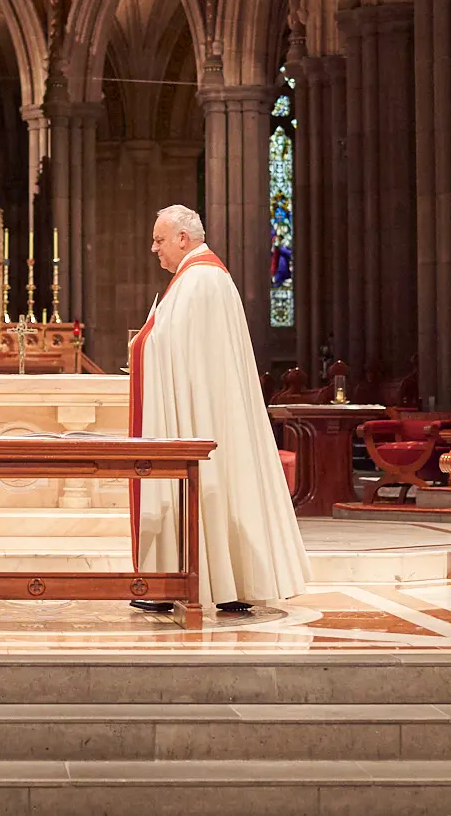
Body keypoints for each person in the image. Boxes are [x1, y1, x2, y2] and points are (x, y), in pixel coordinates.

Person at [130, 204, 309, 614]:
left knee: (207, 483)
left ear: (182, 238)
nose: (154, 248)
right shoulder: (210, 276)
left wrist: (139, 344)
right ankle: (229, 584)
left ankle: (175, 583)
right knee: (226, 482)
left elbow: (165, 345)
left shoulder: (196, 280)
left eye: (160, 240)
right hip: (214, 412)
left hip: (201, 416)